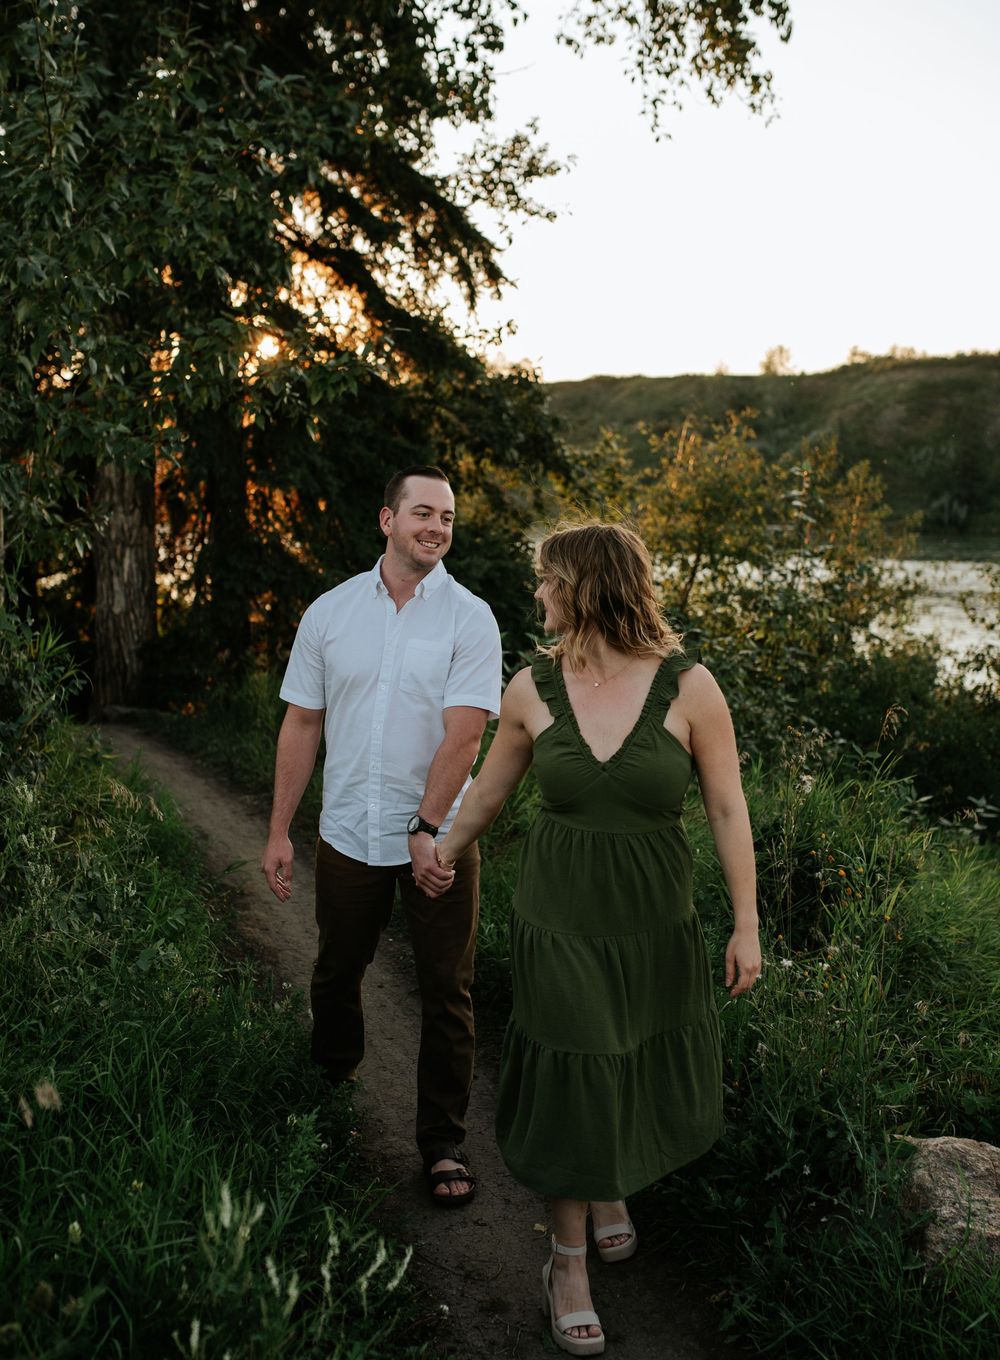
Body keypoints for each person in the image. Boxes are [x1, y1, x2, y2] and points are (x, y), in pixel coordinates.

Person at [429, 520, 761, 1354]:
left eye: (546, 581)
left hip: (654, 923)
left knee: (628, 1054)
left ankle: (610, 1186)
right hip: (561, 918)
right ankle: (566, 1265)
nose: (536, 594)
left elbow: (727, 808)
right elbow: (490, 794)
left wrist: (748, 923)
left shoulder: (691, 687)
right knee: (578, 1064)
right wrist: (442, 848)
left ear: (582, 586)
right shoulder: (530, 687)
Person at [260, 466, 502, 1206]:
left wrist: (428, 829)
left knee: (447, 990)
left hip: (442, 840)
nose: (438, 527)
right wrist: (279, 831)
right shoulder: (331, 614)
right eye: (423, 512)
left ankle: (443, 1142)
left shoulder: (471, 618)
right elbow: (303, 722)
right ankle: (332, 1091)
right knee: (337, 969)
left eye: (449, 518)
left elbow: (466, 737)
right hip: (346, 830)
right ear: (386, 519)